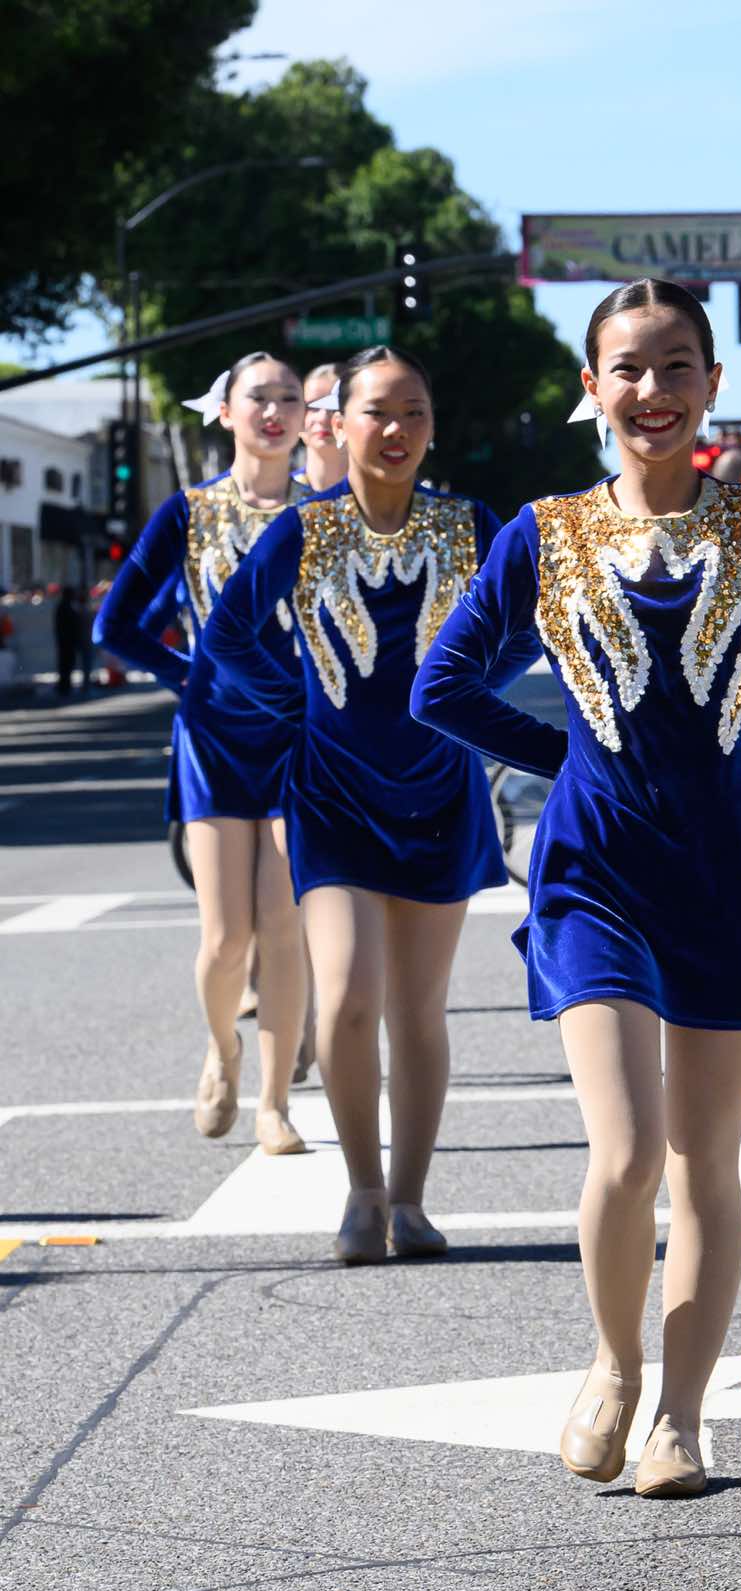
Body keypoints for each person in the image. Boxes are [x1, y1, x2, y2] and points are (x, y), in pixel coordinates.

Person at [410, 278, 741, 1499]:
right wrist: (570, 756)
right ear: (592, 389)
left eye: (677, 365)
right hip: (593, 870)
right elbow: (444, 685)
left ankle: (682, 1418)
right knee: (628, 1150)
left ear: (712, 384)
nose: (653, 389)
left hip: (725, 870)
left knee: (705, 1161)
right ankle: (614, 1360)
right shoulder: (543, 532)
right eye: (628, 369)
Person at [201, 345, 506, 1265]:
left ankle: (410, 1199)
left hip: (440, 792)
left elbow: (534, 622)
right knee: (344, 997)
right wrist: (296, 703)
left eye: (414, 412)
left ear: (433, 427)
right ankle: (363, 1191)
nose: (396, 429)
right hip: (331, 793)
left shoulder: (470, 524)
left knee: (419, 1009)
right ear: (338, 424)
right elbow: (228, 634)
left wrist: (472, 693)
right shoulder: (305, 528)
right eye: (377, 411)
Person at [95, 352, 310, 1157]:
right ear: (225, 412)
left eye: (289, 398)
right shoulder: (187, 512)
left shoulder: (324, 513)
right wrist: (189, 675)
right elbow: (115, 625)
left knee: (284, 928)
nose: (275, 411)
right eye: (259, 397)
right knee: (226, 938)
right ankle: (223, 1049)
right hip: (214, 738)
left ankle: (275, 1103)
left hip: (298, 739)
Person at [300, 362, 349, 492]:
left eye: (336, 407)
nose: (323, 418)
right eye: (313, 407)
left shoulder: (383, 494)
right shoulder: (277, 494)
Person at [53, 585, 85, 692]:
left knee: (67, 665)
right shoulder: (64, 607)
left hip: (67, 642)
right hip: (67, 643)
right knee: (66, 665)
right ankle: (64, 687)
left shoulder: (65, 607)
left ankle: (65, 686)